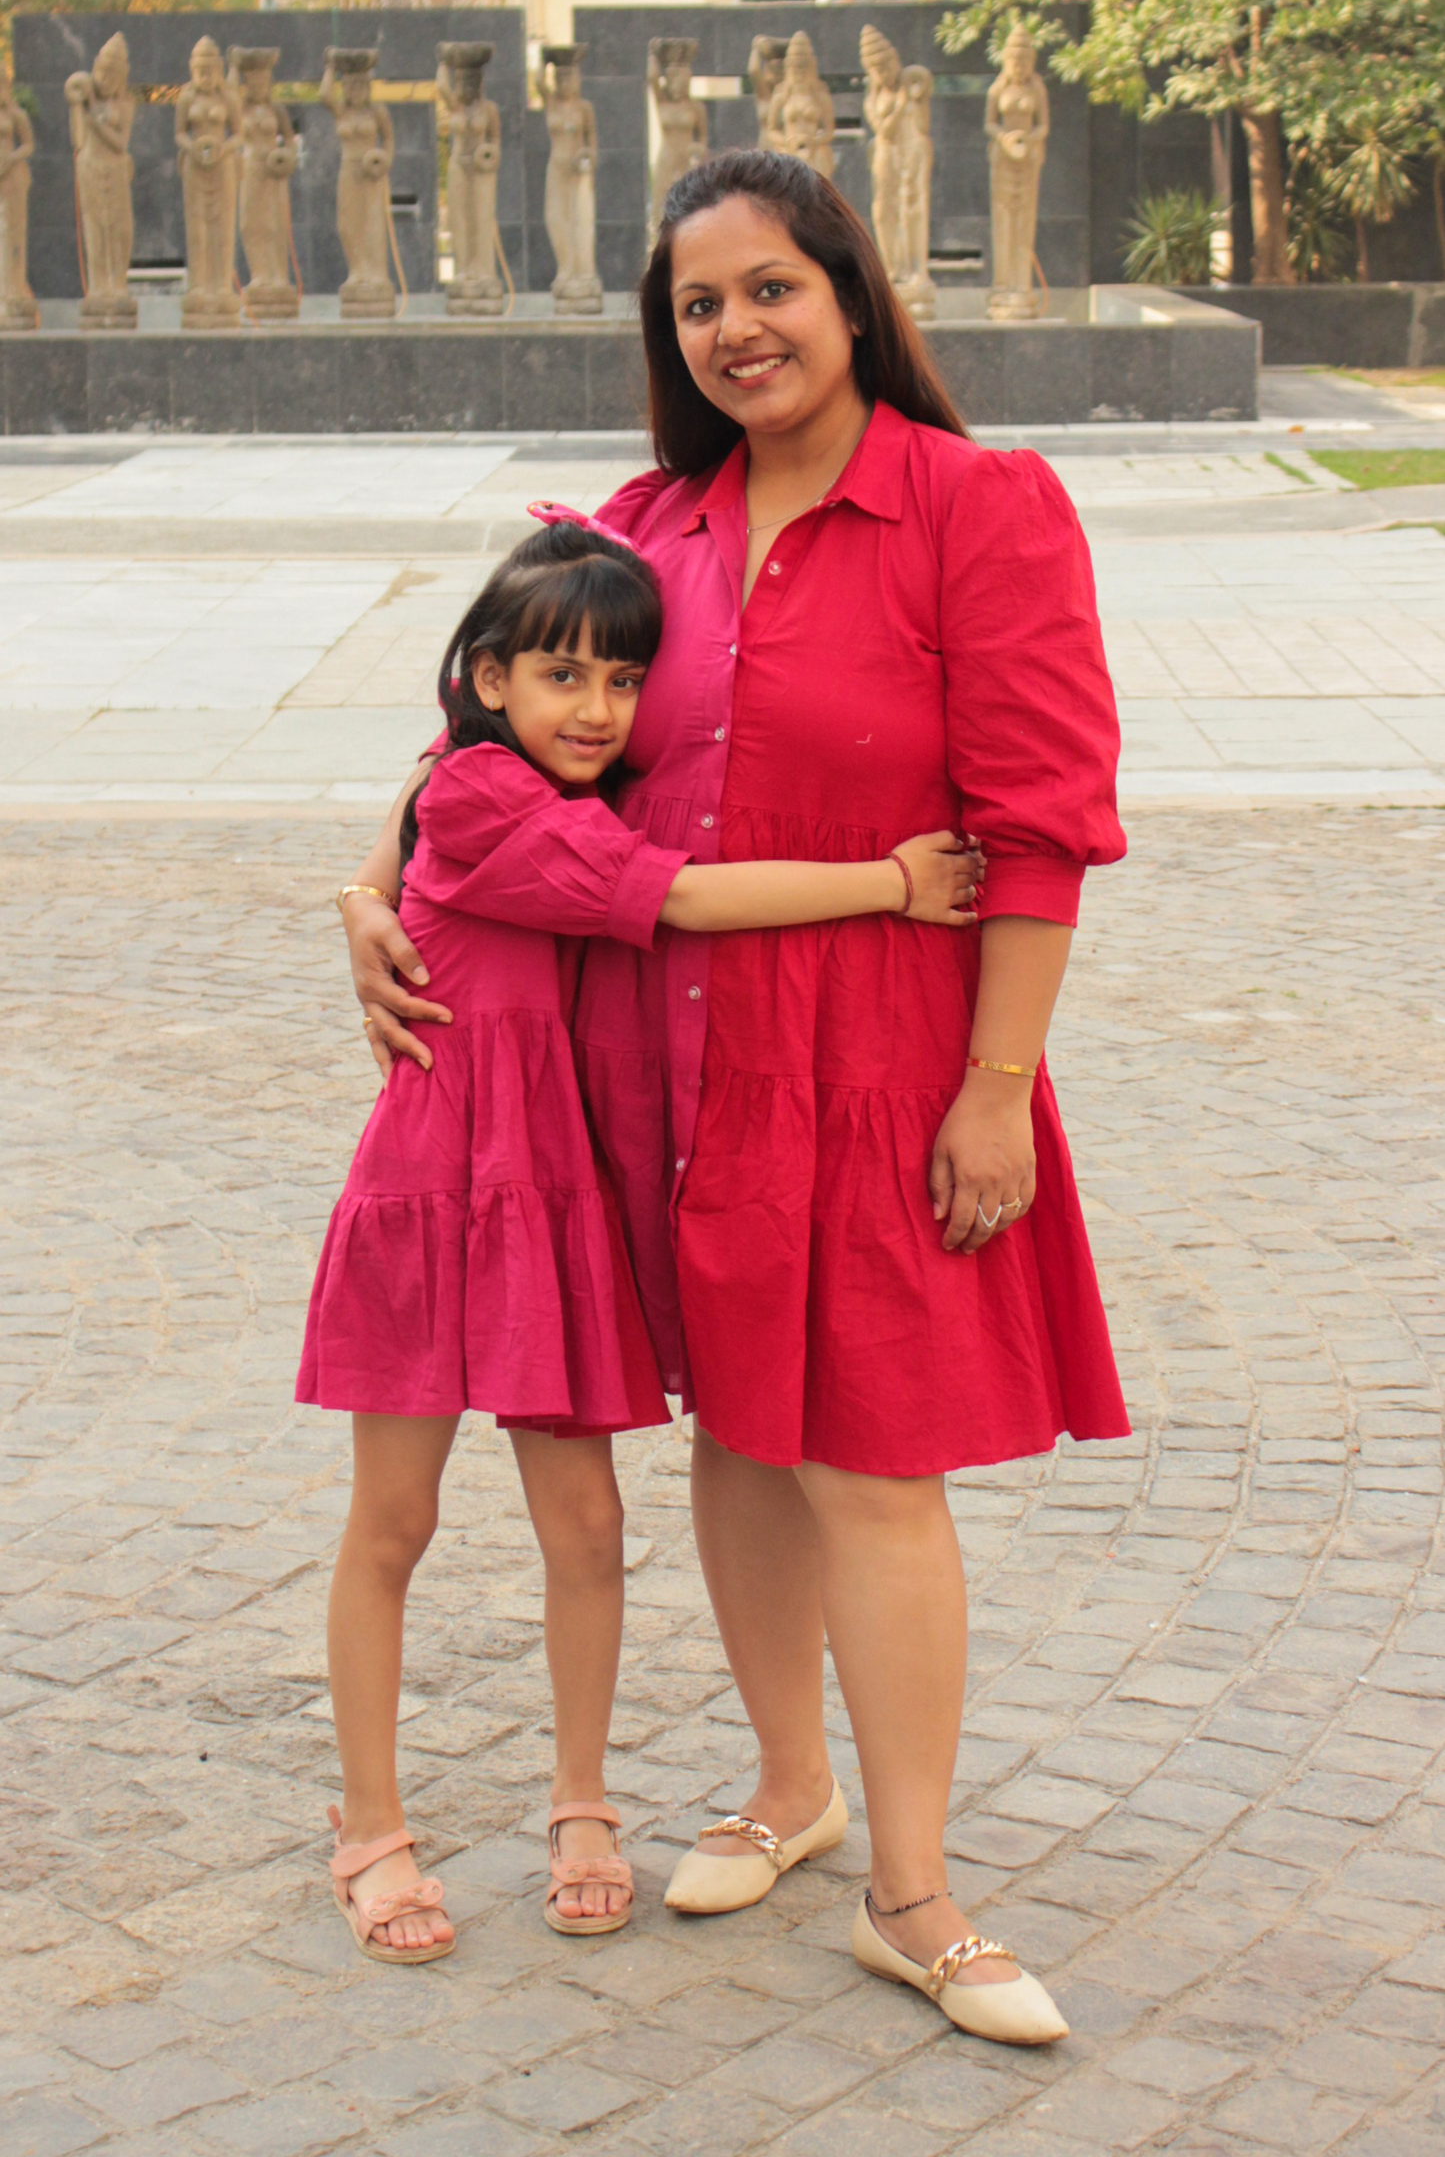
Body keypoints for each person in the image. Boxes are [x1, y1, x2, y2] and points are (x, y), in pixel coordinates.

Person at [344, 152, 1127, 2044]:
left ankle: (916, 1890)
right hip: (656, 1067)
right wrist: (365, 888)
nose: (737, 330)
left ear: (851, 295)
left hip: (873, 1063)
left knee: (874, 1458)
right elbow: (487, 733)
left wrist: (997, 1088)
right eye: (700, 305)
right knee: (742, 1437)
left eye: (770, 288)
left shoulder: (977, 507)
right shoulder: (647, 522)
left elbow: (1037, 830)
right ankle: (791, 1788)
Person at [305, 505, 981, 1964]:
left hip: (557, 1208)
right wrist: (893, 884)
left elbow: (441, 802)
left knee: (591, 1530)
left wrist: (361, 890)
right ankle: (371, 1822)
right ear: (487, 679)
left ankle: (582, 1801)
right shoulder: (489, 800)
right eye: (564, 679)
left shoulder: (563, 788)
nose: (601, 709)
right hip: (437, 1192)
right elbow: (680, 901)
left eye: (624, 681)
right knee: (395, 1524)